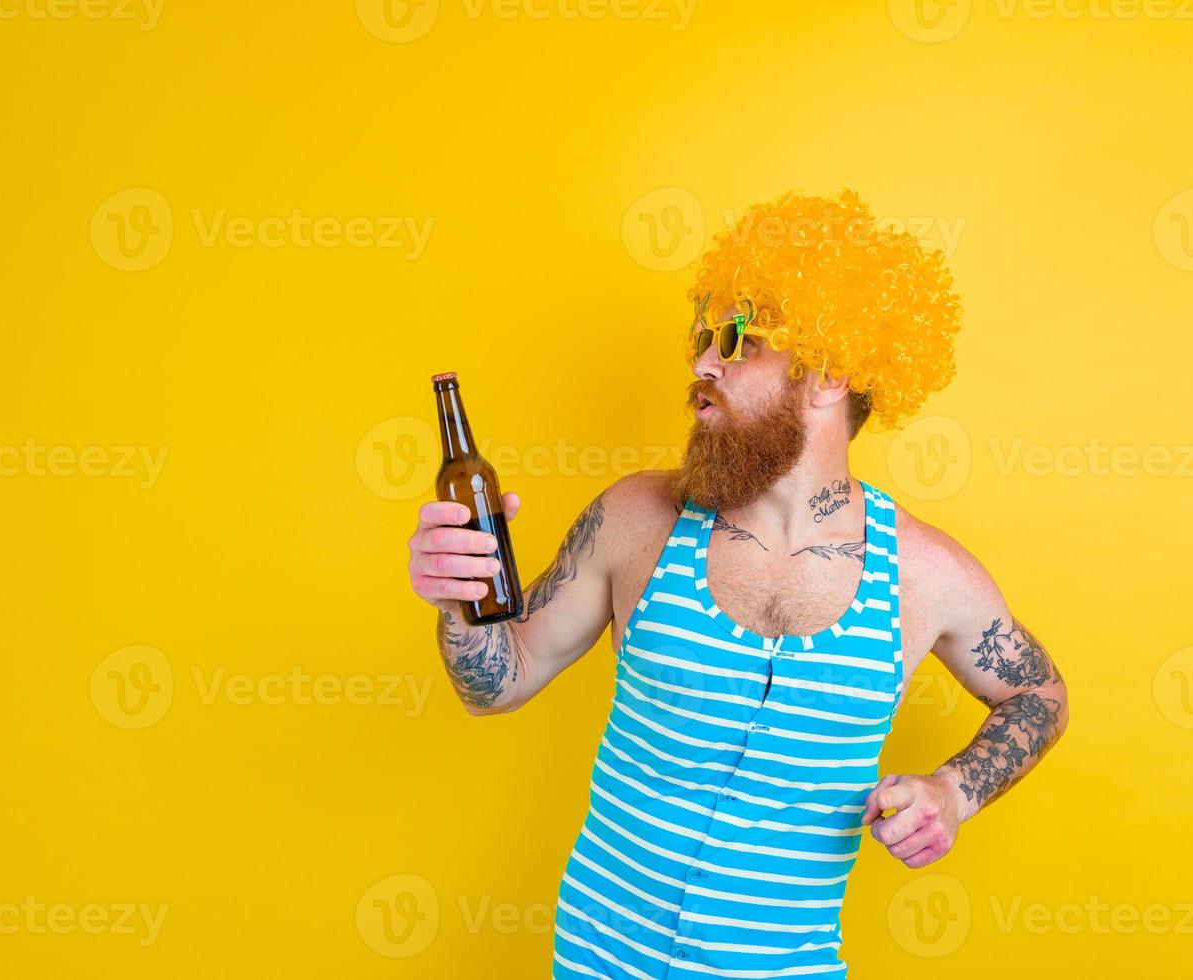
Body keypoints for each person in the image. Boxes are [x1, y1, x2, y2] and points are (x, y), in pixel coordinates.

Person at [406, 189, 1070, 977]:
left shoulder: (927, 576)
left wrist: (954, 792)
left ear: (827, 371)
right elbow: (500, 683)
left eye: (735, 339)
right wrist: (461, 606)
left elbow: (1040, 695)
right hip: (594, 961)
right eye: (701, 336)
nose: (700, 365)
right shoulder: (633, 520)